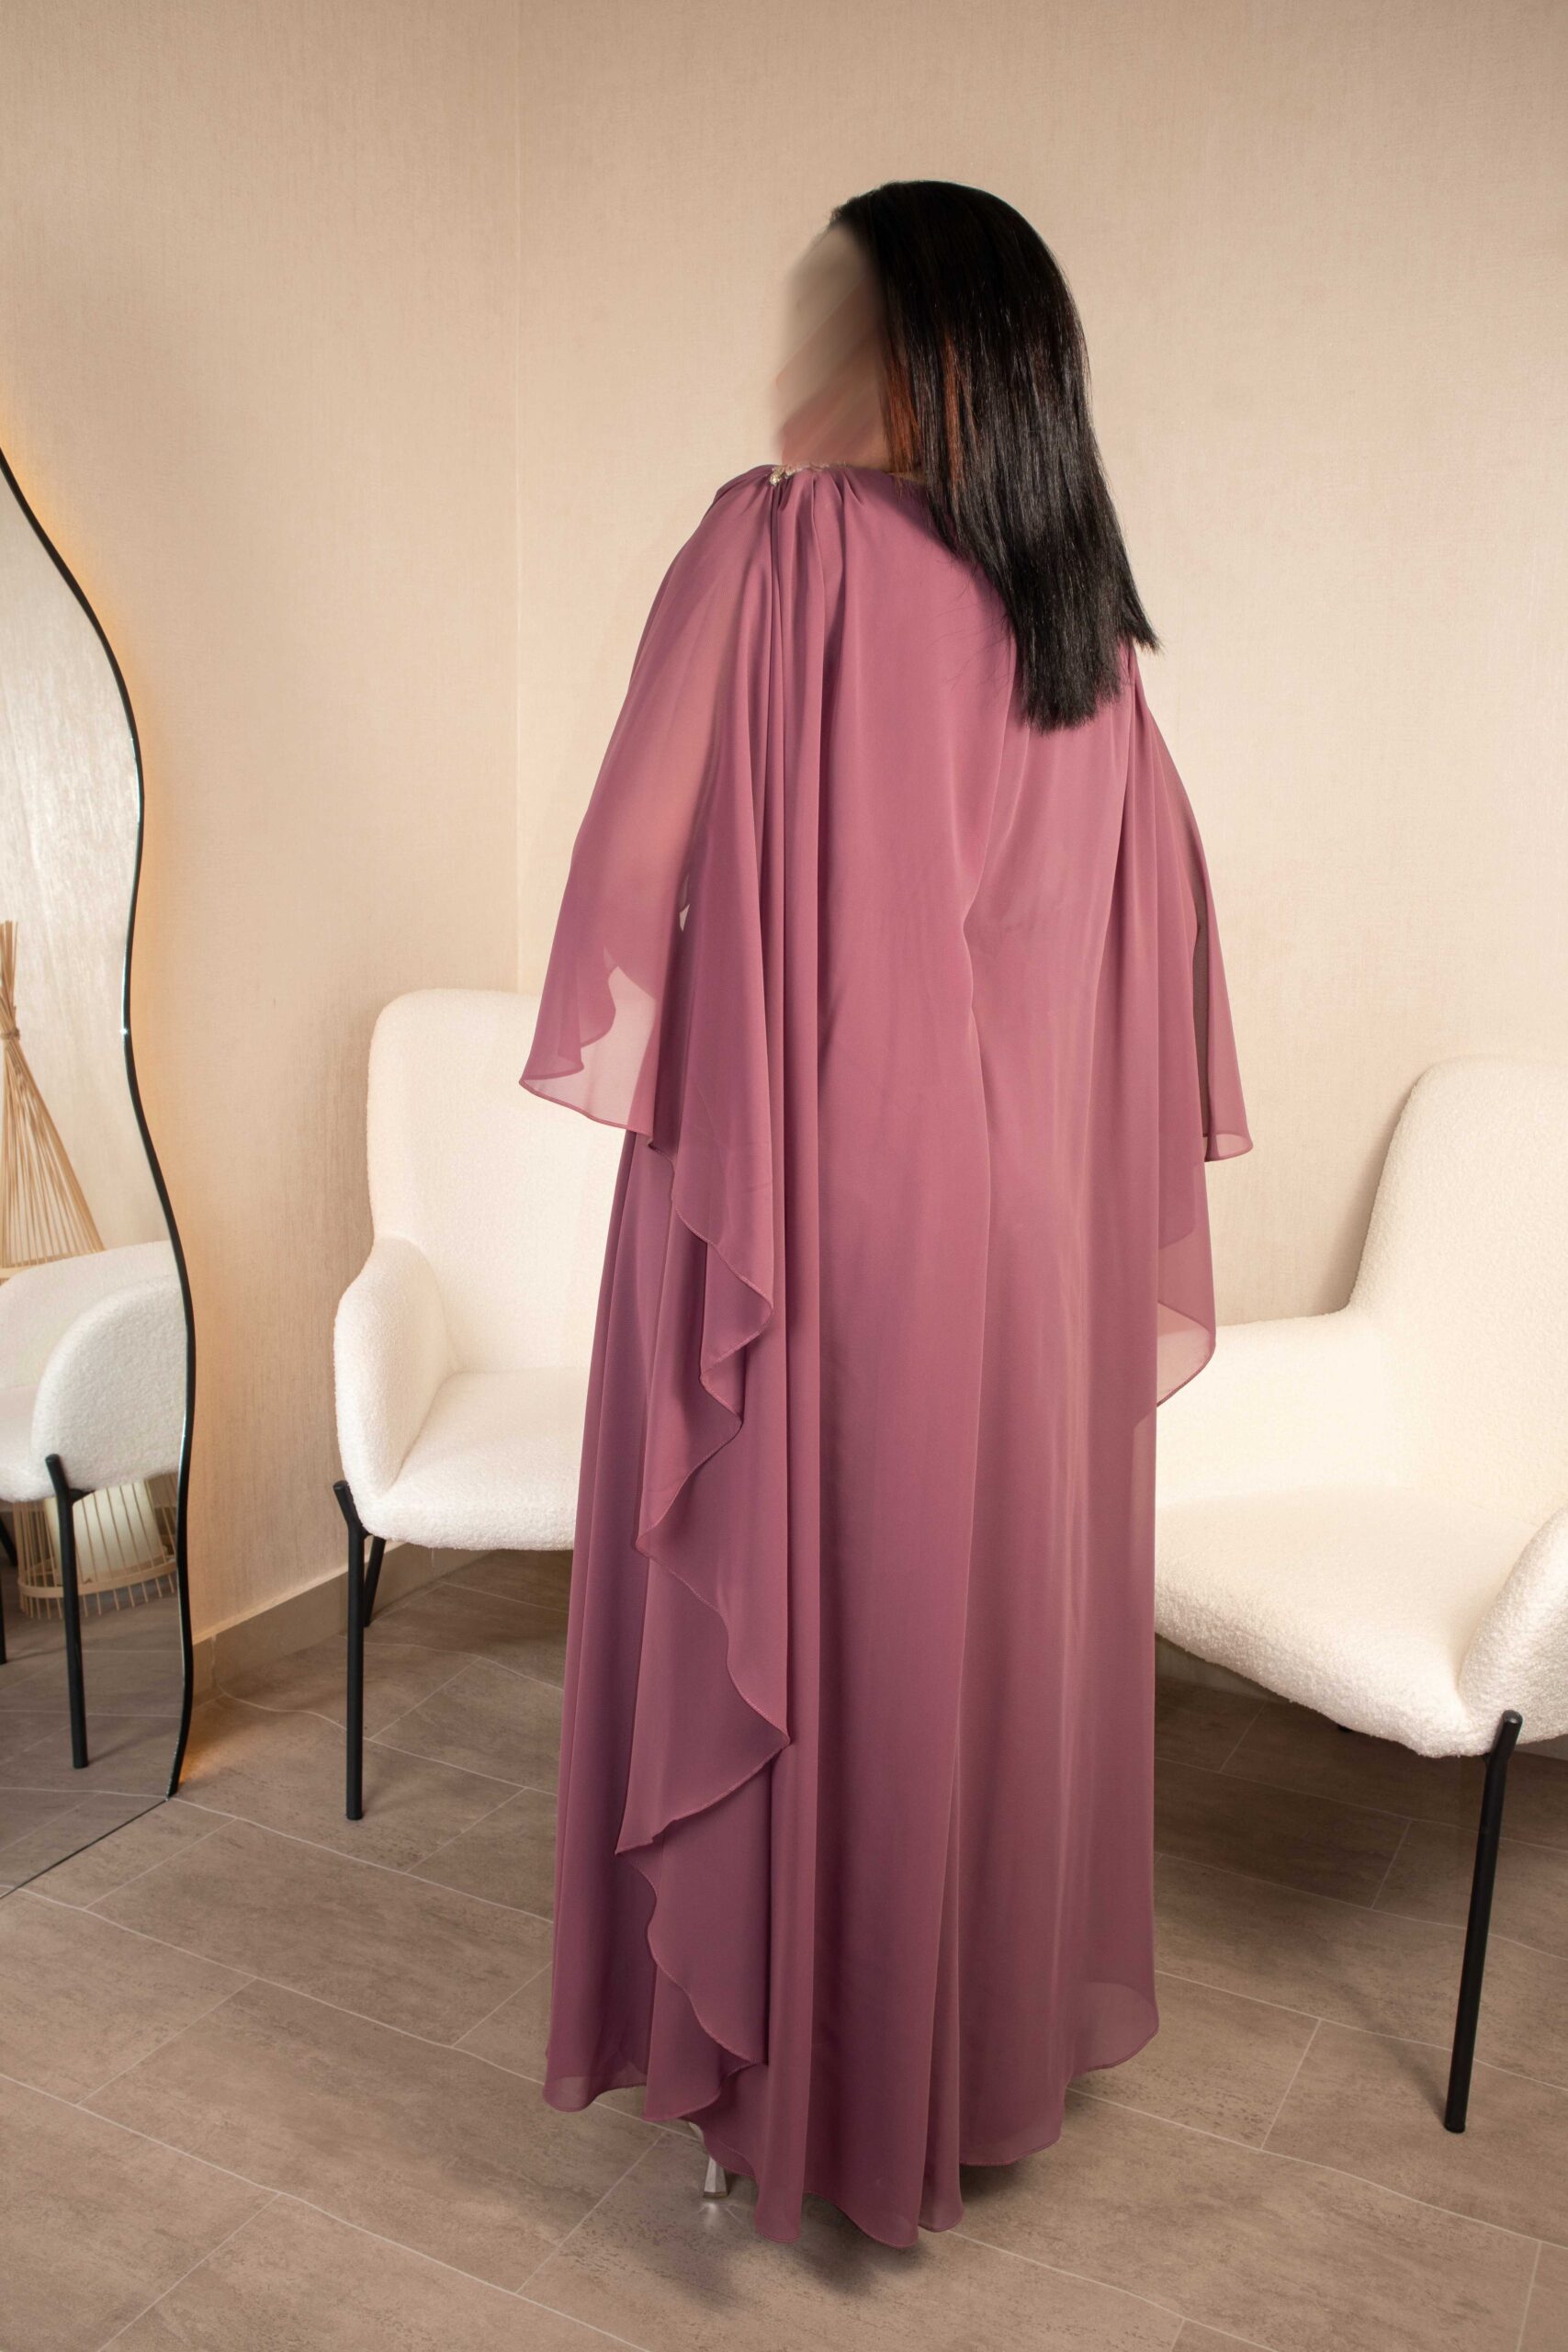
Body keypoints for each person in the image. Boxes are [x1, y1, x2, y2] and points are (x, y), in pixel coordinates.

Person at [521, 177, 1251, 2249]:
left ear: (917, 356)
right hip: (1014, 1241)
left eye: (825, 312)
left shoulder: (781, 547)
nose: (792, 352)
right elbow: (1151, 971)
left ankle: (773, 2090)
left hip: (804, 1198)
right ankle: (949, 2066)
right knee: (955, 1642)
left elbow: (627, 880)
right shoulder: (1091, 647)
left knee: (790, 1624)